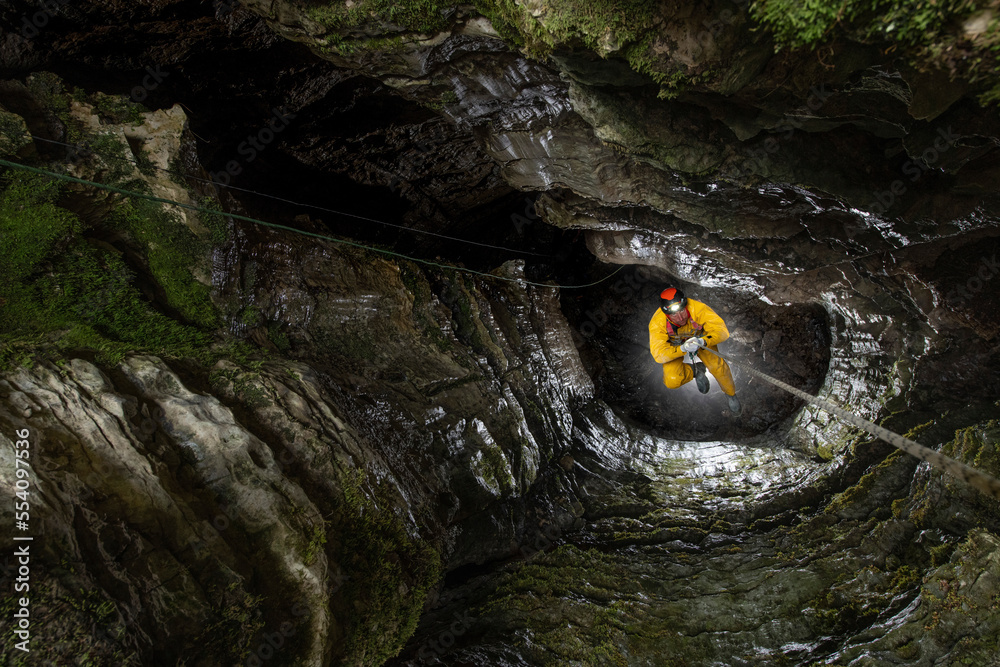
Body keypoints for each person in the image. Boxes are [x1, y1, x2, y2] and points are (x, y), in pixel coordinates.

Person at [648, 287, 742, 415]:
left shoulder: (698, 308)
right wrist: (682, 348)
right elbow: (658, 355)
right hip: (675, 345)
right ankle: (696, 370)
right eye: (674, 314)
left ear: (685, 305)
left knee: (717, 367)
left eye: (681, 311)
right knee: (672, 380)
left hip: (700, 338)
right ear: (666, 313)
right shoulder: (657, 322)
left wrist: (702, 342)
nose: (680, 318)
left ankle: (730, 394)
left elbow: (722, 332)